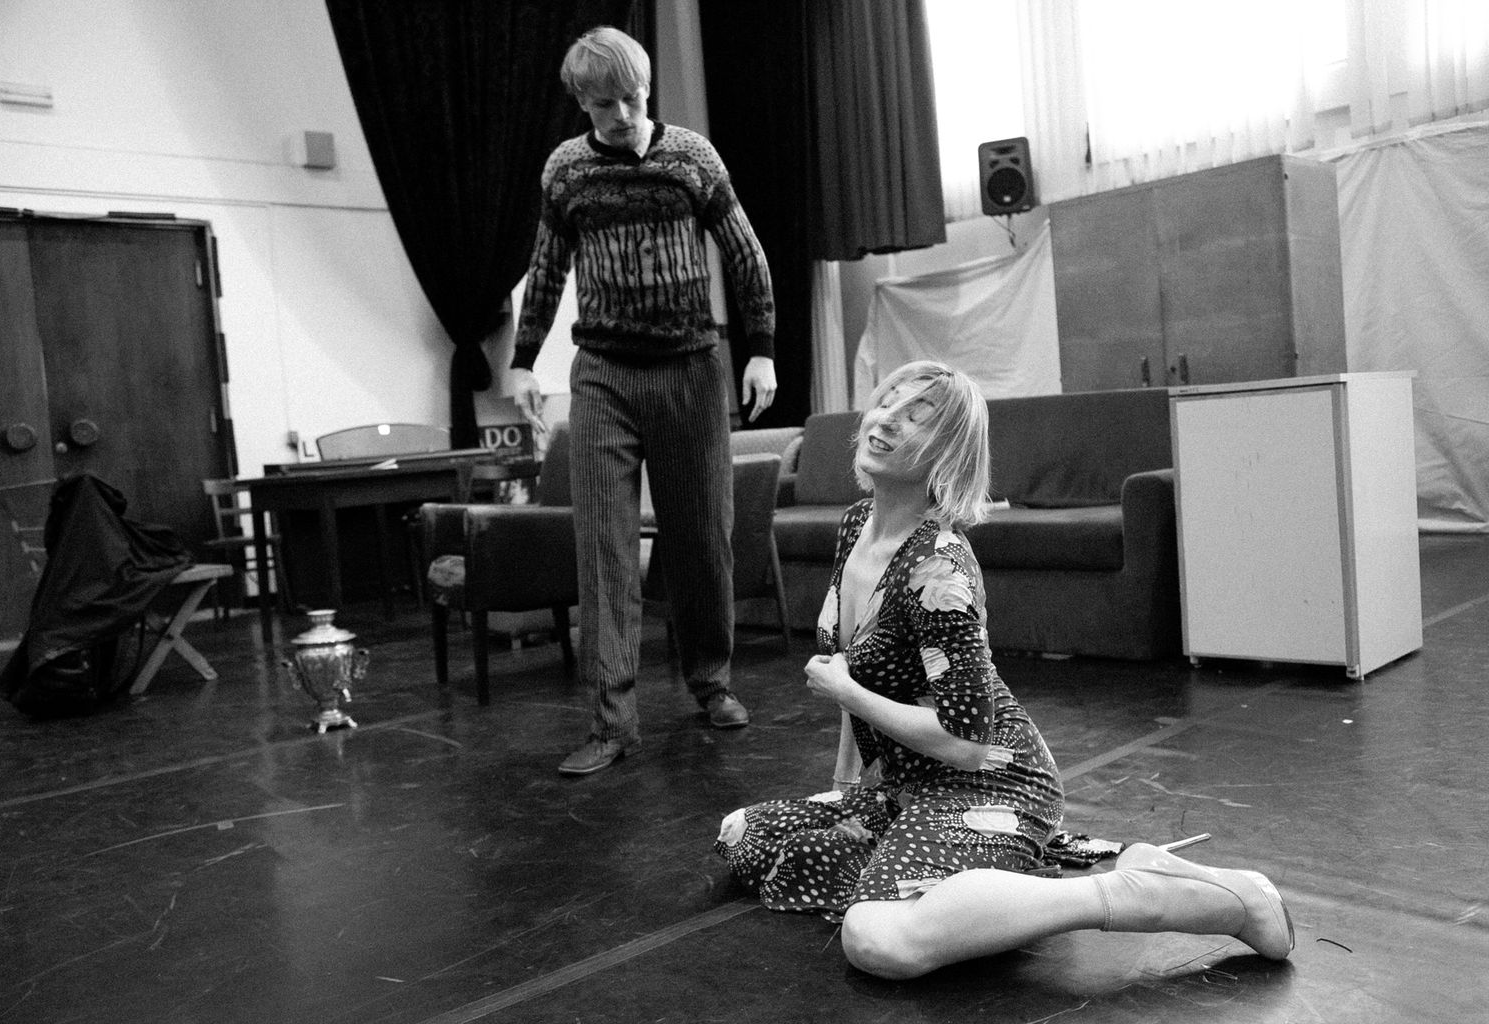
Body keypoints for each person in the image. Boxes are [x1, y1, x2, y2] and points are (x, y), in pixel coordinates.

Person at [714, 361, 1295, 979]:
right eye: (888, 402)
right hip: (905, 784)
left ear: (947, 453)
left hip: (990, 781)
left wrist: (848, 693)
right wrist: (848, 787)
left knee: (876, 939)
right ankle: (970, 882)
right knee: (742, 835)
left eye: (917, 418)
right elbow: (853, 669)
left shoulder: (939, 572)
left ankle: (1145, 892)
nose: (887, 420)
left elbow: (965, 745)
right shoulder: (858, 523)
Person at [509, 26, 777, 777]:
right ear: (583, 103)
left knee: (702, 539)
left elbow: (745, 252)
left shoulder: (692, 157)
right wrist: (523, 362)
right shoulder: (566, 170)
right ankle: (612, 722)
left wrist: (760, 349)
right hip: (603, 374)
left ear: (647, 88)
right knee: (604, 546)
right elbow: (545, 268)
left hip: (691, 369)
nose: (623, 114)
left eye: (632, 97)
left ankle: (711, 681)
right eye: (606, 104)